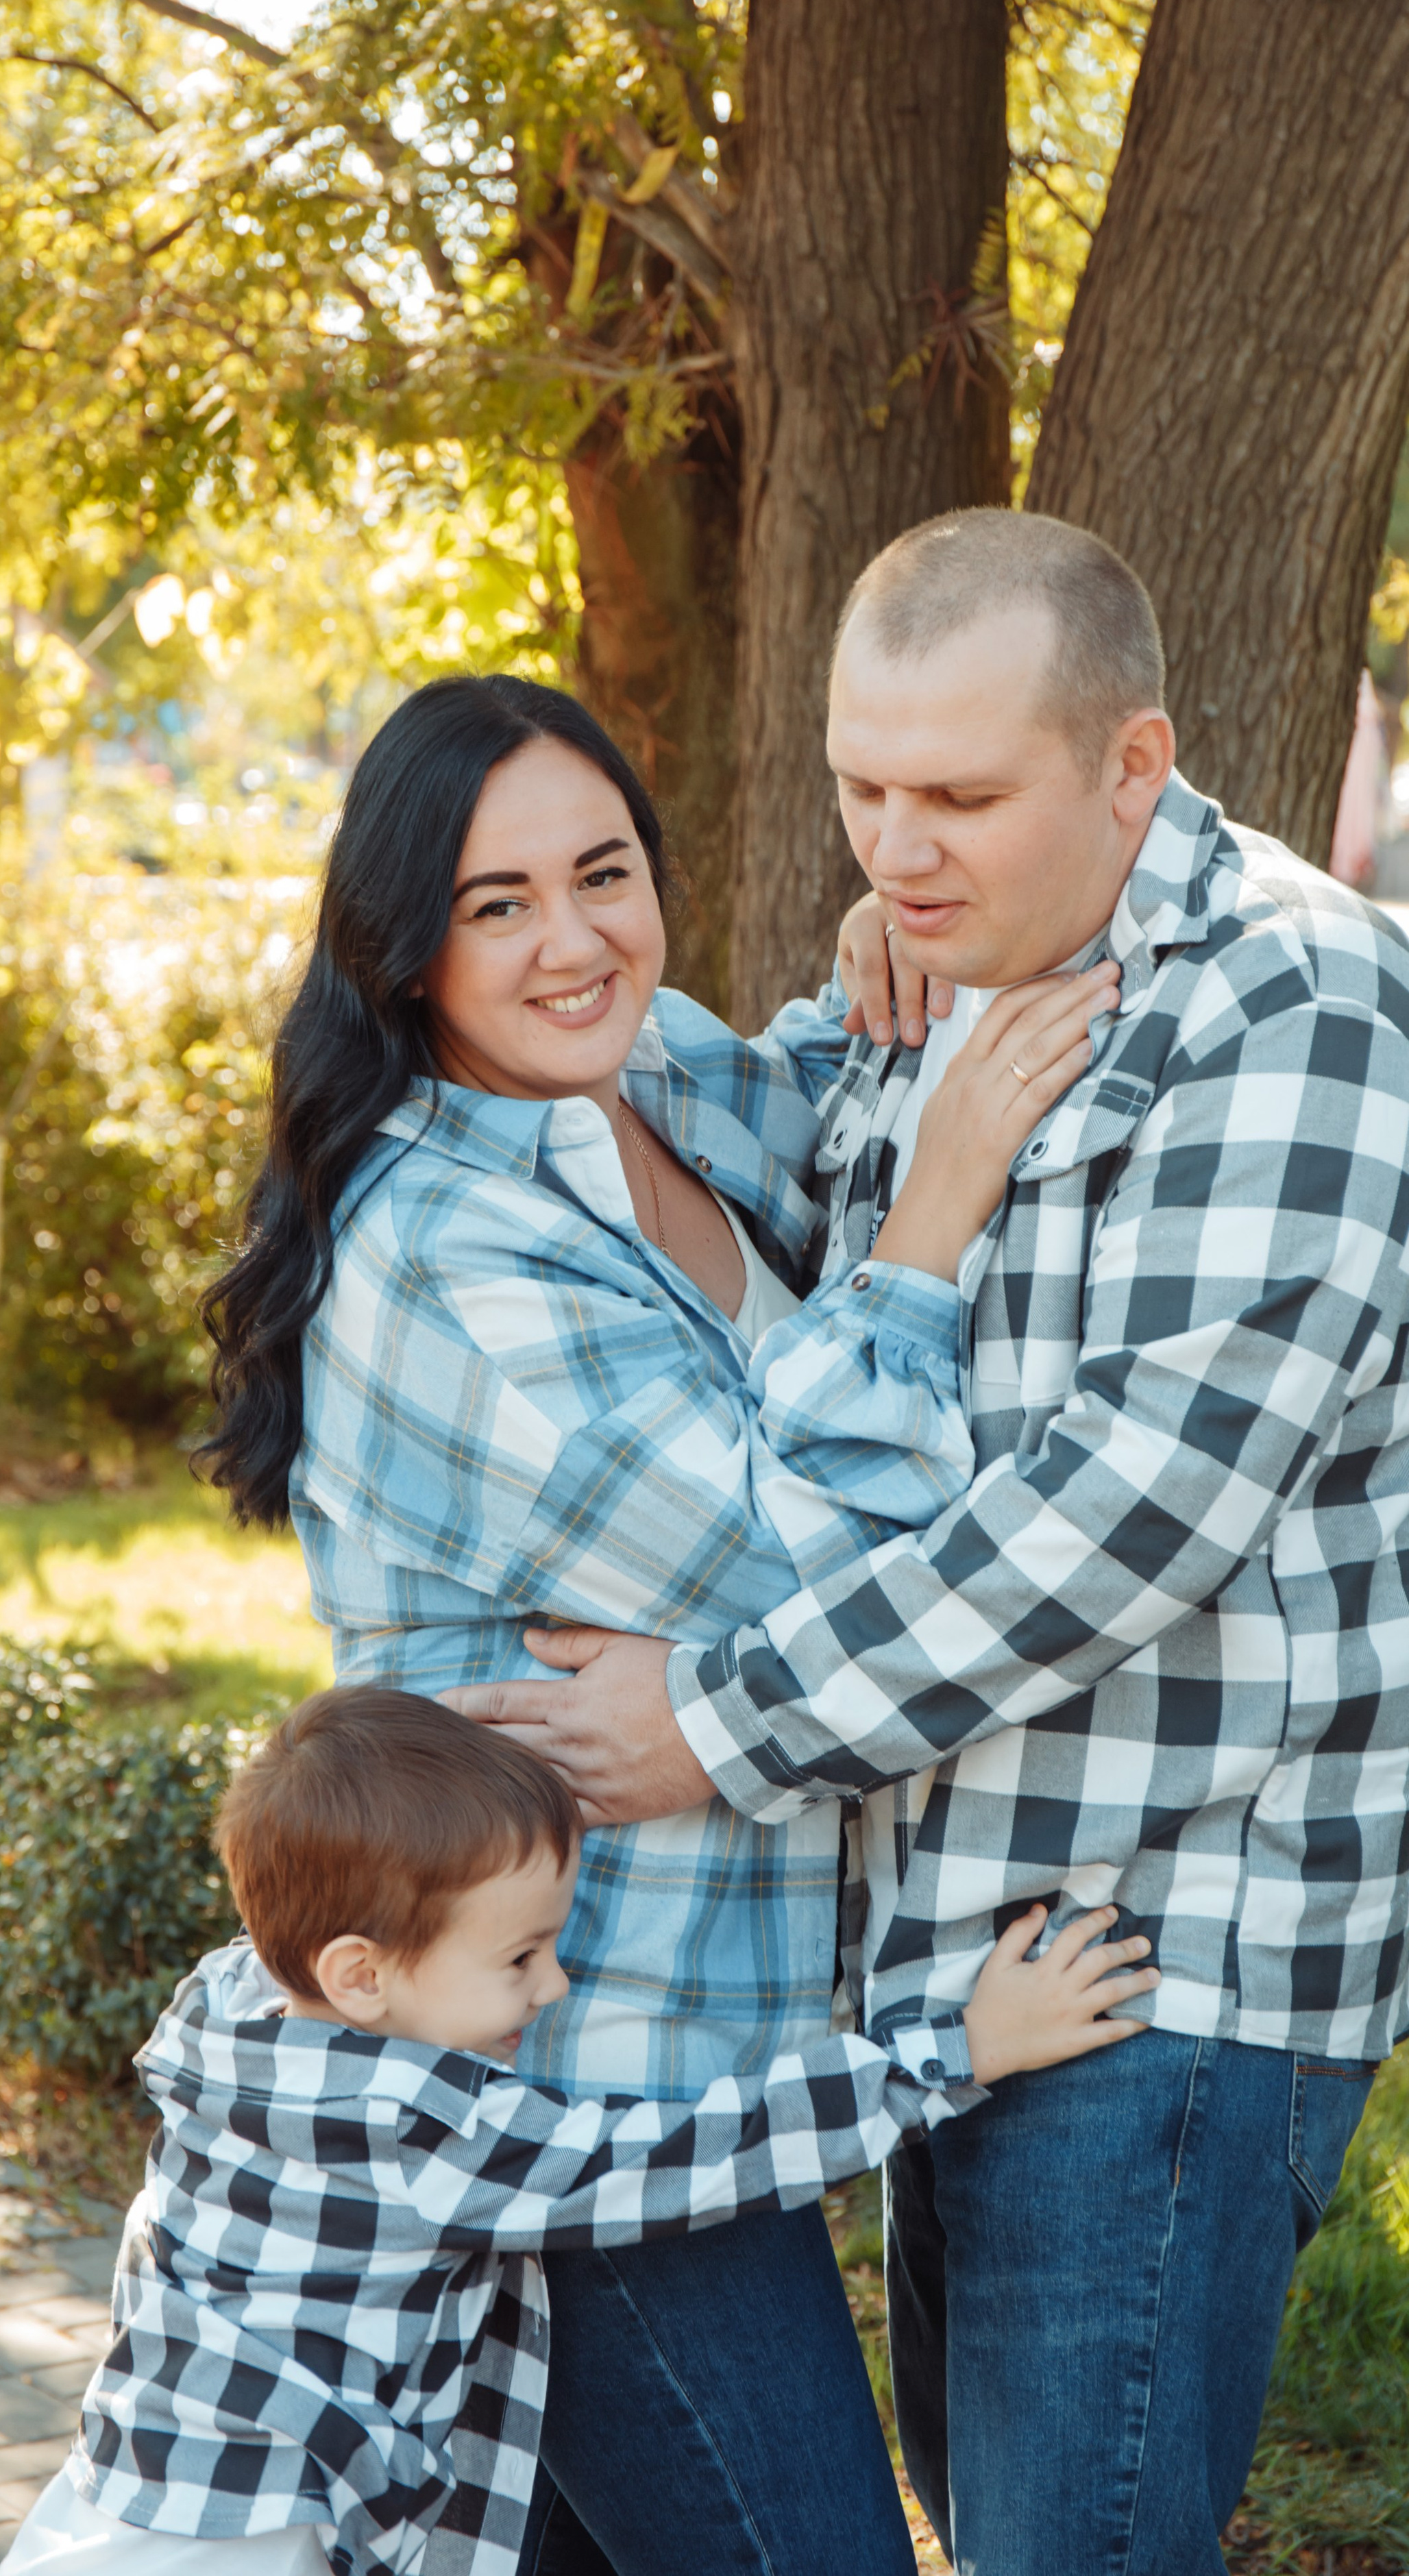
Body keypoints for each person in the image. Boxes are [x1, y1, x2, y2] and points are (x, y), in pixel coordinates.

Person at [456, 507, 1409, 2576]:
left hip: (1173, 1957)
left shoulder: (1297, 1004)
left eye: (962, 794)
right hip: (951, 1952)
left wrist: (715, 1718)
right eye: (864, 788)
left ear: (1134, 766)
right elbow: (801, 1308)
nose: (898, 846)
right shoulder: (948, 964)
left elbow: (1125, 1509)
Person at [196, 670, 1117, 2576]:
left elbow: (816, 1079)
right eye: (497, 903)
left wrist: (903, 939)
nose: (572, 939)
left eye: (603, 871)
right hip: (582, 2083)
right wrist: (932, 1220)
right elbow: (816, 1569)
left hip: (710, 2050)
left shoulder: (646, 1079)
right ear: (405, 946)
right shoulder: (442, 1249)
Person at [0, 1688, 1157, 2576]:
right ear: (358, 1973)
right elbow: (691, 2154)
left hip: (128, 2491)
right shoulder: (424, 2123)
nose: (552, 1987)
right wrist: (965, 2050)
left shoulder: (233, 2004)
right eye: (517, 1957)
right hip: (252, 2541)